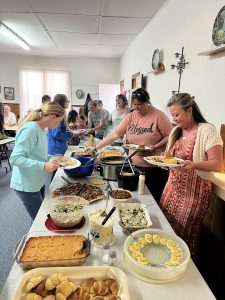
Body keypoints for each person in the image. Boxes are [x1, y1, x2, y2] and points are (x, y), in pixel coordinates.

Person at [160, 93, 223, 259]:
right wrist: (162, 160)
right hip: (171, 191)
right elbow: (168, 157)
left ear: (189, 110)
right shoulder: (176, 131)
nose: (174, 119)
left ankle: (186, 274)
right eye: (172, 115)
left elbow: (217, 164)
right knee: (166, 231)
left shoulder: (207, 130)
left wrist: (193, 165)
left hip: (193, 196)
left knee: (184, 237)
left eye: (177, 115)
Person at [87, 88, 172, 202]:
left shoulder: (158, 116)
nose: (136, 108)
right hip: (134, 166)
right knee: (134, 199)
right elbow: (115, 134)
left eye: (140, 105)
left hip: (154, 168)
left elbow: (170, 136)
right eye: (134, 104)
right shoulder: (131, 116)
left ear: (147, 102)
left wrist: (156, 146)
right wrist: (96, 147)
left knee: (152, 201)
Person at [10, 102, 65, 220]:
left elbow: (37, 154)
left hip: (36, 181)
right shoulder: (31, 129)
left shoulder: (41, 129)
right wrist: (44, 165)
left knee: (38, 217)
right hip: (26, 185)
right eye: (60, 120)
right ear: (52, 117)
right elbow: (15, 158)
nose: (59, 124)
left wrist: (52, 157)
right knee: (39, 221)